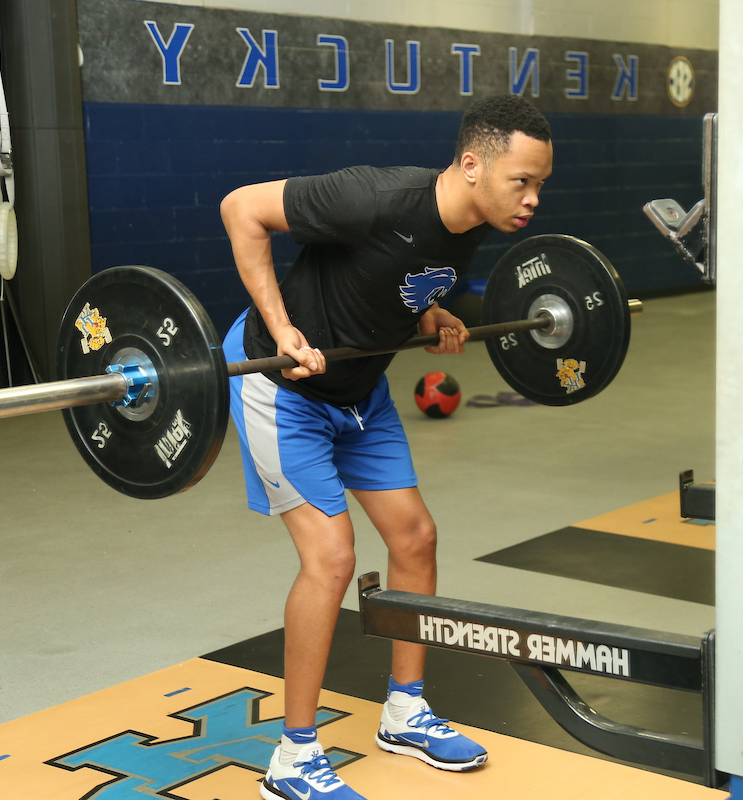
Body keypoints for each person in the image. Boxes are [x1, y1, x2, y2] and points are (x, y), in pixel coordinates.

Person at [219, 94, 553, 800]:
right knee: (332, 558)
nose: (531, 200)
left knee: (415, 538)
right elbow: (239, 208)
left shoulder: (473, 220)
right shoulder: (372, 197)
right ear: (471, 165)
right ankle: (294, 757)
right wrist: (281, 330)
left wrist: (432, 315)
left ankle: (404, 709)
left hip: (359, 392)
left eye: (540, 184)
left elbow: (396, 283)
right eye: (520, 181)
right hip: (284, 390)